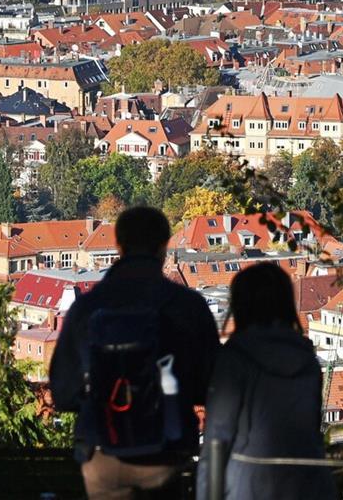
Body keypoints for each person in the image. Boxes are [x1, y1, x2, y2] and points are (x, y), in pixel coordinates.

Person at [50, 206, 220, 500]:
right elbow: (213, 385)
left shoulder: (87, 307)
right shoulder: (187, 306)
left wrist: (107, 400)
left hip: (102, 452)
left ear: (119, 245)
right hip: (165, 450)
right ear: (164, 246)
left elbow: (63, 393)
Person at [197, 262, 336, 500]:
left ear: (241, 306)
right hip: (308, 485)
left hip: (249, 486)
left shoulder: (235, 359)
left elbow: (217, 440)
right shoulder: (307, 359)